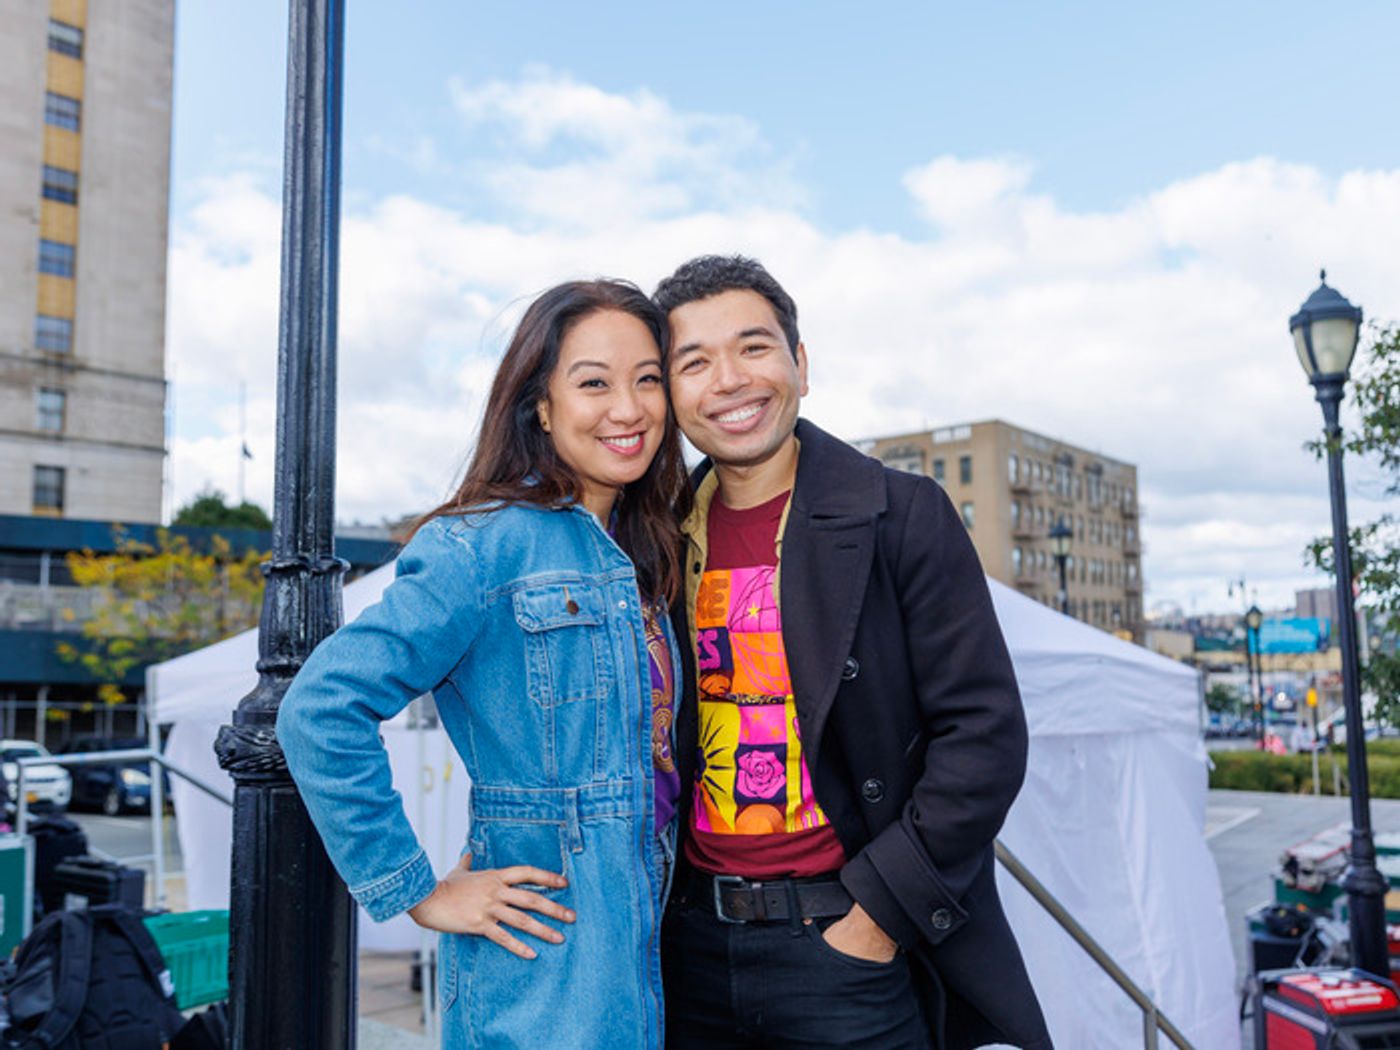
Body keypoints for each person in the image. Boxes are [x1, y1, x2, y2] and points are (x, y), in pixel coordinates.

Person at [278, 279, 689, 1050]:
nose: (629, 408)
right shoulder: (481, 545)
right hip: (550, 951)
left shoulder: (649, 544)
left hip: (662, 929)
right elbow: (321, 709)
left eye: (647, 379)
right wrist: (419, 890)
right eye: (594, 383)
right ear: (541, 405)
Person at [653, 255, 1052, 1050]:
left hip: (847, 949)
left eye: (754, 347)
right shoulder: (655, 538)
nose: (729, 380)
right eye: (694, 362)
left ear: (800, 365)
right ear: (668, 395)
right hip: (689, 949)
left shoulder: (902, 514)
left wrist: (875, 920)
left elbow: (984, 737)